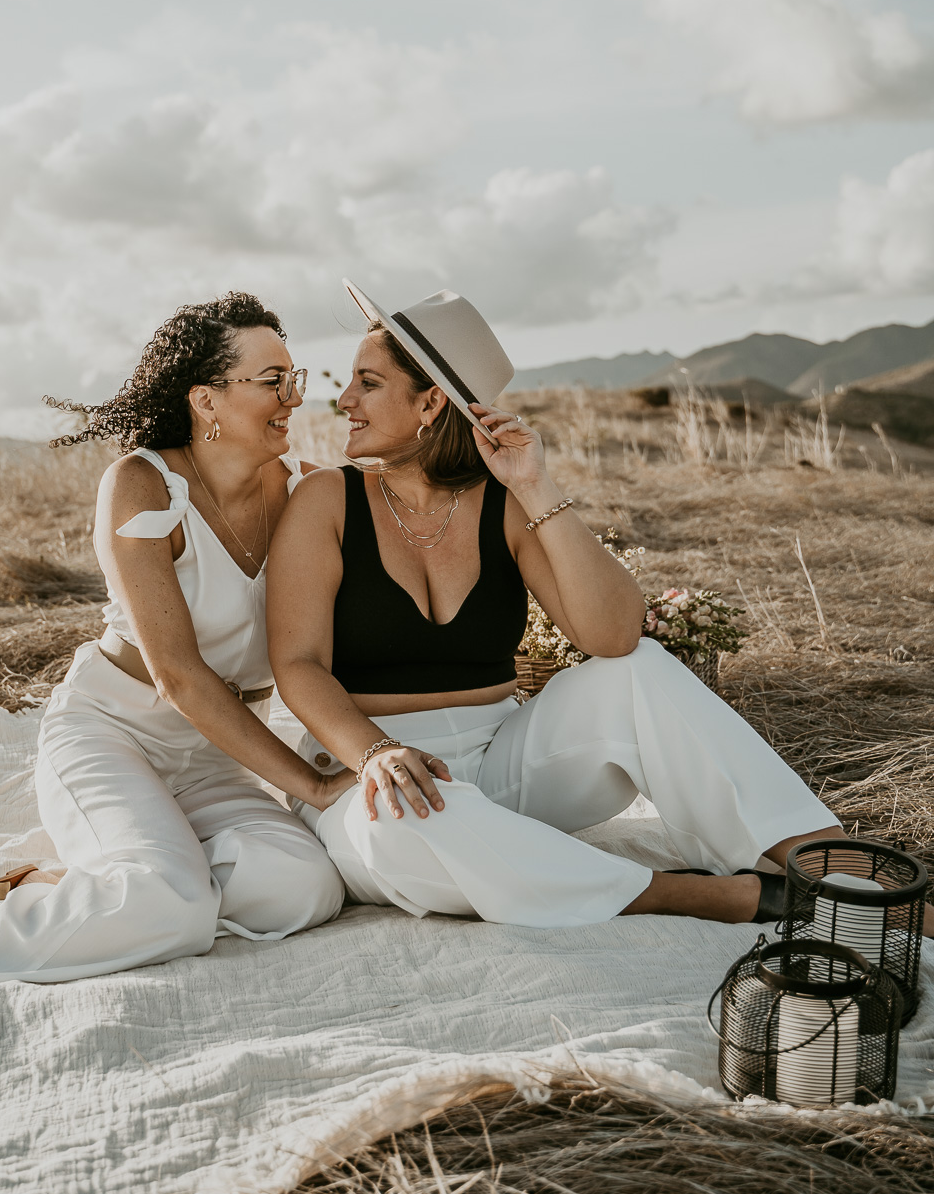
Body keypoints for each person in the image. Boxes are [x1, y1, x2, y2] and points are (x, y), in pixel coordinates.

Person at [0, 293, 351, 1017]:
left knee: (302, 888)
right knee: (173, 908)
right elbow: (178, 677)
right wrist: (315, 786)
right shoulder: (144, 485)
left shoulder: (305, 492)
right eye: (273, 381)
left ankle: (52, 887)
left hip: (214, 755)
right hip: (112, 735)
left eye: (294, 379)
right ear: (206, 399)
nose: (293, 398)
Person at [267, 280, 864, 933]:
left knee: (641, 670)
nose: (343, 399)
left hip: (505, 761)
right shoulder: (326, 499)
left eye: (368, 383)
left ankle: (839, 870)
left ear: (431, 402)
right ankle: (692, 895)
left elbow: (611, 637)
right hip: (371, 766)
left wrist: (534, 484)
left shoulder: (503, 501)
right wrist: (375, 751)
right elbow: (297, 664)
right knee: (390, 837)